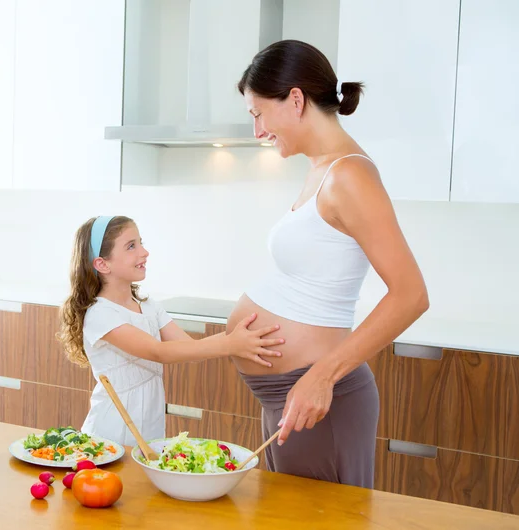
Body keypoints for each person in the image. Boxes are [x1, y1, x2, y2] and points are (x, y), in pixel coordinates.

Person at [227, 40, 429, 488]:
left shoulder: (350, 175)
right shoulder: (321, 168)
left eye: (259, 113)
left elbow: (411, 295)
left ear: (295, 100)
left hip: (320, 398)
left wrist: (322, 376)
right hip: (288, 397)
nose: (258, 130)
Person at [58, 215, 284, 446]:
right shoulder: (101, 315)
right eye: (131, 246)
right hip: (112, 429)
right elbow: (158, 352)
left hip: (149, 427)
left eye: (140, 242)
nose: (144, 252)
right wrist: (230, 343)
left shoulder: (148, 306)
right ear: (102, 264)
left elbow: (190, 349)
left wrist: (238, 337)